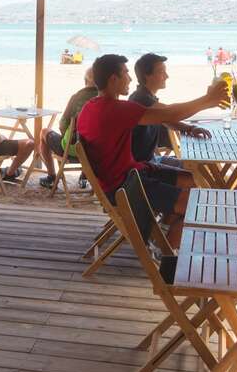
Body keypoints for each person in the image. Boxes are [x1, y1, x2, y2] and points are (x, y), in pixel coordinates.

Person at [77, 54, 228, 246]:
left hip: (134, 175)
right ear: (113, 79)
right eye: (126, 74)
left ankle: (165, 232)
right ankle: (166, 253)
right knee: (200, 204)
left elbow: (168, 116)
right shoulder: (115, 109)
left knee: (197, 181)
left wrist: (200, 109)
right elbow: (169, 114)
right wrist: (208, 100)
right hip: (127, 188)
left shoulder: (90, 107)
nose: (130, 79)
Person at [130, 53, 210, 164]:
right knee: (194, 173)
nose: (167, 76)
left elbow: (166, 119)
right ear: (147, 75)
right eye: (161, 72)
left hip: (152, 159)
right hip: (141, 166)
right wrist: (208, 100)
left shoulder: (144, 96)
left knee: (194, 168)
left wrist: (190, 128)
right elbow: (171, 113)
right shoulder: (141, 99)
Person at [39, 67, 97, 189]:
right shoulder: (105, 99)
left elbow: (63, 124)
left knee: (44, 132)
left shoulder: (76, 97)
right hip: (95, 152)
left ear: (85, 80)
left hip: (73, 150)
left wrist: (67, 135)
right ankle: (85, 174)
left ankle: (51, 176)